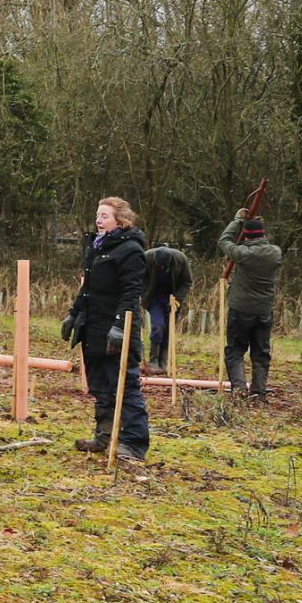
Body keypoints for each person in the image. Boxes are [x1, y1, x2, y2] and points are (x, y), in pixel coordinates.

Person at [66, 197, 150, 460]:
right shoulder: (96, 247)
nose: (98, 220)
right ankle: (103, 437)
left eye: (104, 216)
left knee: (125, 387)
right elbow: (87, 288)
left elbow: (131, 293)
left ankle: (134, 442)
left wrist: (119, 327)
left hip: (117, 329)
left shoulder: (131, 250)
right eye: (97, 215)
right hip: (93, 326)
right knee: (100, 386)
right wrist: (73, 314)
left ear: (120, 221)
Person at [220, 209, 282, 399]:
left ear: (246, 237)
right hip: (264, 310)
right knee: (261, 352)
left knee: (235, 350)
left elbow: (224, 241)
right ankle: (259, 392)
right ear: (263, 235)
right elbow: (260, 244)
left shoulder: (243, 253)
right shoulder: (275, 253)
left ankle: (238, 390)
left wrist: (237, 220)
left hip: (240, 310)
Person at [143, 243, 193, 375]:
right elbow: (138, 279)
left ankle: (163, 361)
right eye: (160, 266)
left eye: (165, 265)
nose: (163, 267)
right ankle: (153, 361)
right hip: (154, 298)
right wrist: (143, 296)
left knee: (169, 329)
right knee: (158, 326)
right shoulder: (146, 258)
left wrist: (177, 300)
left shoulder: (180, 259)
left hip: (172, 297)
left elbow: (186, 281)